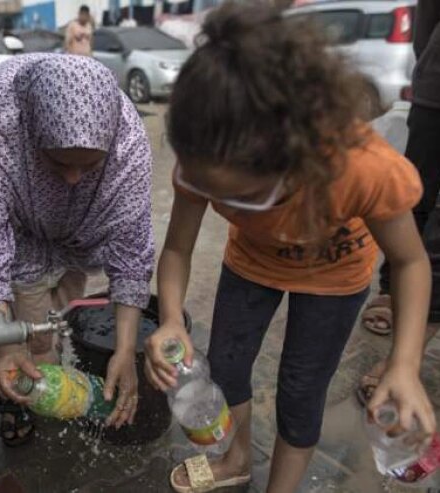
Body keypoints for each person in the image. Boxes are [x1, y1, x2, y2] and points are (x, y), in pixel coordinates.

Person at [143, 4, 437, 492]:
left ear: (298, 158)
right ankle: (237, 460)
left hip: (334, 279)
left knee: (301, 393)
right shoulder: (203, 159)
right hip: (250, 266)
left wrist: (404, 364)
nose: (238, 209)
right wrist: (172, 317)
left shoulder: (363, 166)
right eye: (223, 197)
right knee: (228, 368)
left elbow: (409, 262)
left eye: (251, 197)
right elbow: (176, 250)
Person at [0, 54, 154, 446]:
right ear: (31, 136)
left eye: (89, 166)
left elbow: (132, 255)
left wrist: (127, 349)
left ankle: (41, 379)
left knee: (61, 315)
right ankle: (19, 389)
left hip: (81, 236)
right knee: (32, 333)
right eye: (59, 161)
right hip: (24, 238)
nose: (72, 178)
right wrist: (1, 344)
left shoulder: (128, 148)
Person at [358, 0, 440, 403]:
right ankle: (392, 291)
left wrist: (405, 363)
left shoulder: (370, 169)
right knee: (416, 204)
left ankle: (410, 349)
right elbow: (427, 19)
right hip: (435, 90)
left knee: (430, 238)